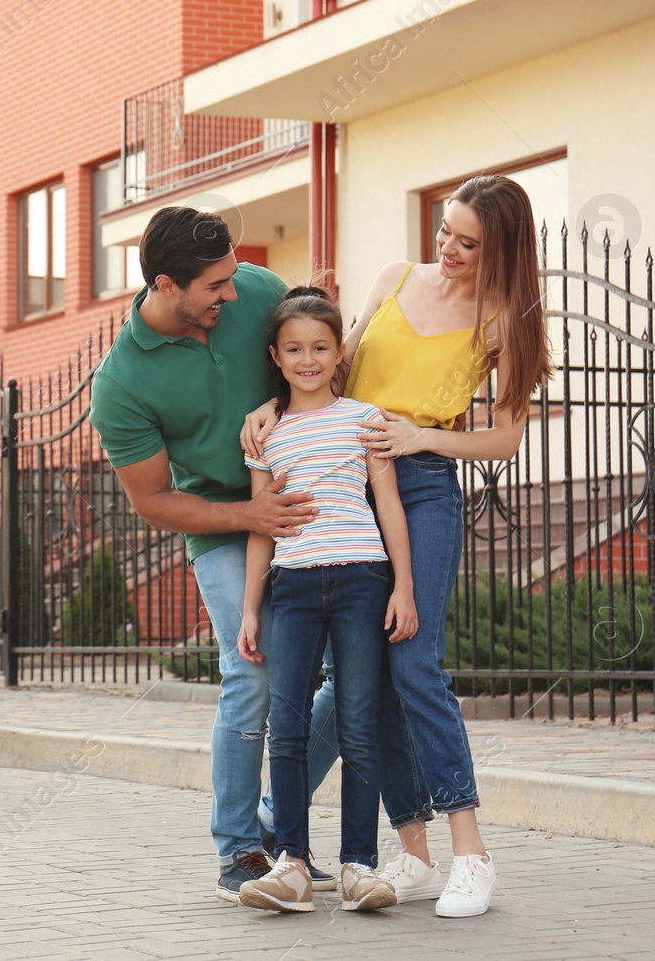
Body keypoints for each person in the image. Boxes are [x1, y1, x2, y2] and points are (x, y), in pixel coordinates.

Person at [241, 174, 552, 918]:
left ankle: (471, 852)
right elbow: (327, 367)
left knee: (414, 658)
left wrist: (421, 436)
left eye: (467, 242)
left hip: (420, 485)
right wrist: (271, 407)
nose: (447, 248)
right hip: (349, 481)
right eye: (445, 230)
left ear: (500, 248)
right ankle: (412, 851)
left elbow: (506, 438)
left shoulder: (504, 320)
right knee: (367, 670)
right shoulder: (394, 278)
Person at [88, 205, 322, 906]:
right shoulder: (121, 383)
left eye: (231, 276)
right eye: (215, 284)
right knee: (250, 673)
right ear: (166, 284)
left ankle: (281, 825)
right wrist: (248, 513)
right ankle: (239, 848)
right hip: (223, 525)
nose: (233, 291)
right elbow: (154, 499)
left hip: (312, 509)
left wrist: (280, 405)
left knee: (356, 675)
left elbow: (314, 362)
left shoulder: (255, 290)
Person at [234, 286, 417, 915]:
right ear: (276, 357)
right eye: (294, 349)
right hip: (292, 589)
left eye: (319, 347)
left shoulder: (366, 420)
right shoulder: (264, 435)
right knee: (285, 727)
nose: (307, 358)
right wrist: (251, 608)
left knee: (358, 723)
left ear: (339, 352)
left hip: (362, 581)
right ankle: (291, 867)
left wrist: (404, 586)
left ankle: (359, 866)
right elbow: (262, 525)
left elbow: (388, 505)